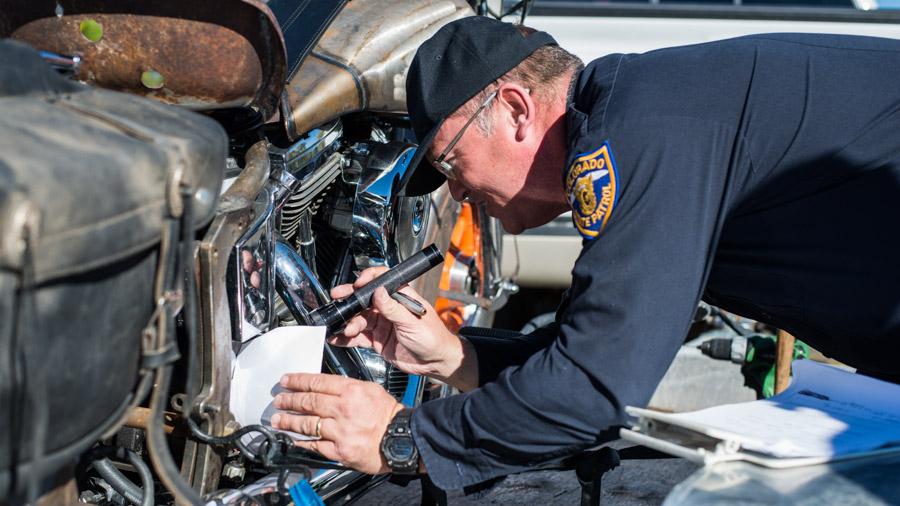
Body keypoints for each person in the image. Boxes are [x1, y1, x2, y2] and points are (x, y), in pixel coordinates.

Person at [270, 16, 900, 490]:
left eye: (452, 165)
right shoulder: (642, 111)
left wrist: (402, 439)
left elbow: (593, 392)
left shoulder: (639, 131)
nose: (459, 194)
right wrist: (449, 354)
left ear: (516, 110)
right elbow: (592, 351)